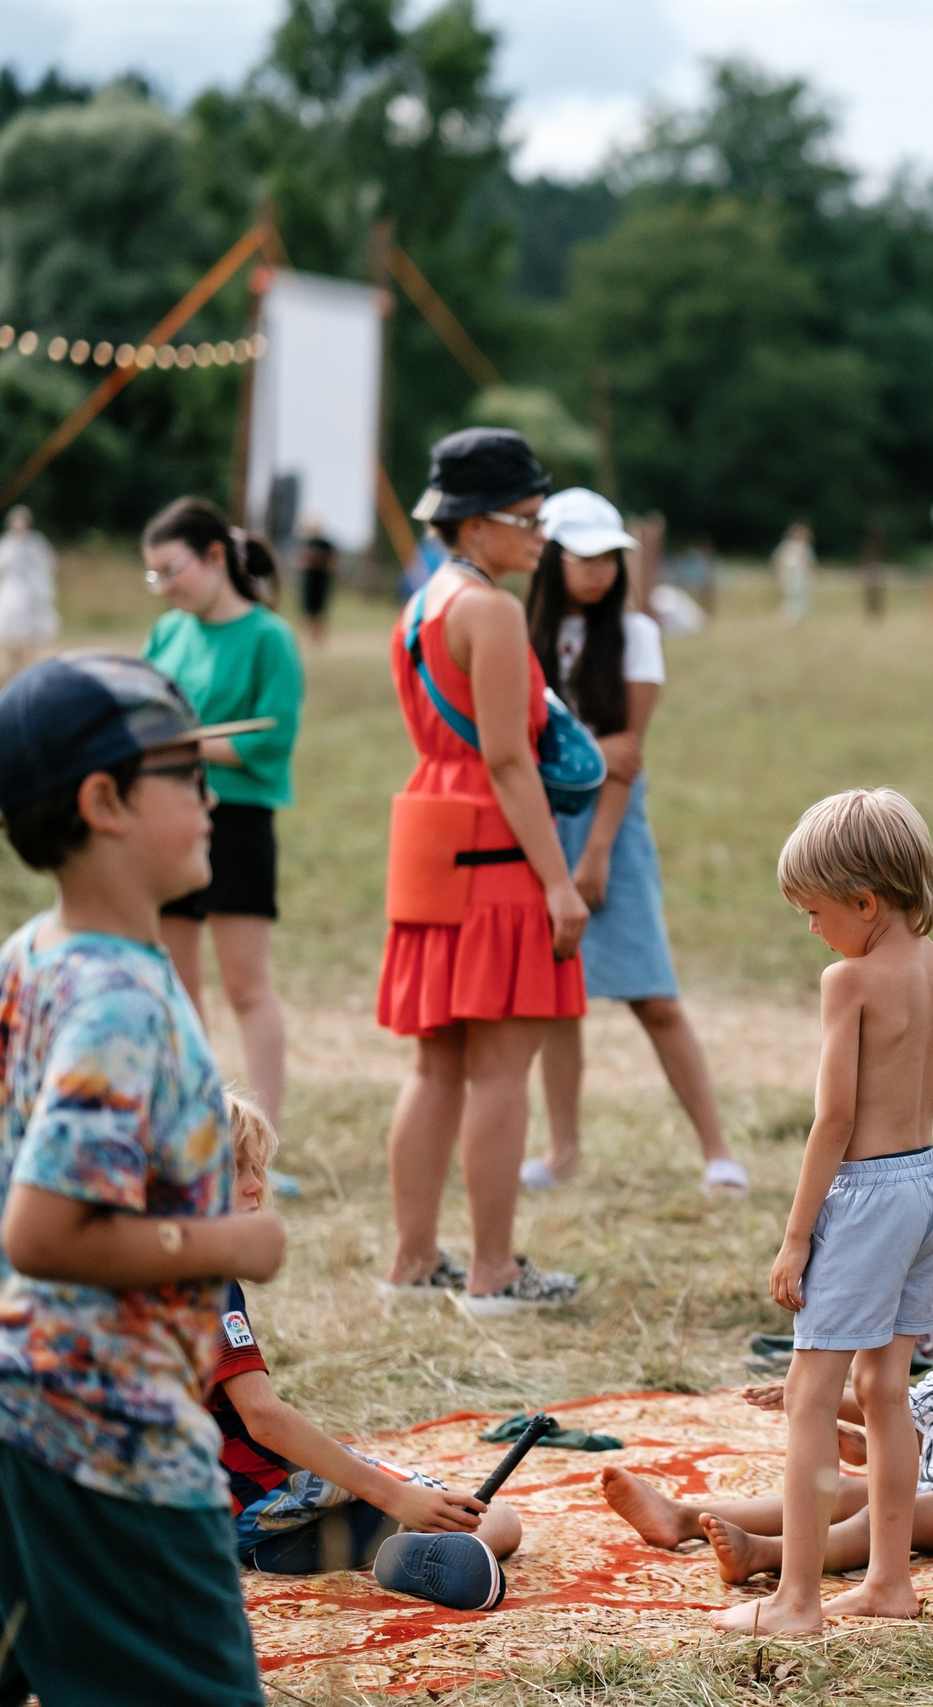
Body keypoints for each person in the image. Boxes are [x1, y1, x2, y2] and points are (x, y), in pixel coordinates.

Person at [0, 655, 286, 1704]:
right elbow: (44, 1234)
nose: (210, 797)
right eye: (185, 777)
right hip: (95, 1440)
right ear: (103, 802)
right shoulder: (124, 1000)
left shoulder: (33, 952)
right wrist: (230, 1244)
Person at [706, 788, 933, 1633]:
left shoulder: (849, 978)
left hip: (866, 1193)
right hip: (930, 1185)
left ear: (865, 902)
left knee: (810, 1391)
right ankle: (890, 1581)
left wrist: (796, 1237)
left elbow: (837, 1119)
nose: (811, 930)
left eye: (815, 912)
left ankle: (797, 1600)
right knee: (886, 1386)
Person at [602, 1161, 933, 1578]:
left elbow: (898, 1404)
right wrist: (866, 1437)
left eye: (931, 1264)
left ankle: (770, 1555)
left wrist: (813, 1394)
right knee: (848, 1491)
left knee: (891, 1514)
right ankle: (684, 1517)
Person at [376, 428, 588, 1316]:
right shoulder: (493, 611)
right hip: (497, 845)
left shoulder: (422, 604)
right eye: (528, 518)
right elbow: (508, 760)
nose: (543, 534)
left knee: (435, 1067)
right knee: (501, 1068)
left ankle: (412, 1259)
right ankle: (493, 1273)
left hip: (431, 830)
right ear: (475, 522)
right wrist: (558, 882)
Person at [520, 487, 747, 1196]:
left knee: (653, 993)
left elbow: (628, 757)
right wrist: (592, 744)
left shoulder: (638, 634)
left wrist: (594, 854)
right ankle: (562, 1151)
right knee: (559, 996)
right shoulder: (518, 634)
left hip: (610, 827)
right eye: (583, 557)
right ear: (551, 557)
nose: (598, 572)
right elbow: (534, 746)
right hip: (534, 819)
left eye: (608, 558)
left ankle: (717, 1148)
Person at [208, 1092, 524, 1575]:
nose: (254, 1186)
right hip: (251, 1493)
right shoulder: (205, 1282)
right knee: (493, 1519)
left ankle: (307, 1546)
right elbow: (264, 1419)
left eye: (256, 1168)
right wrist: (394, 1495)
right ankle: (402, 1549)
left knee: (376, 1505)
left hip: (175, 1513)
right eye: (234, 1169)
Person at [143, 497, 304, 1140]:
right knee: (178, 989)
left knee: (246, 987)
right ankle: (196, 1132)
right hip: (171, 816)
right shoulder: (168, 633)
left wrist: (180, 742)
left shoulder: (270, 637)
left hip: (238, 821)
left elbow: (269, 744)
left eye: (170, 569)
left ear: (215, 557)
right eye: (151, 574)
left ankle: (262, 1142)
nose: (163, 586)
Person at [0, 505, 60, 673]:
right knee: (11, 628)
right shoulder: (5, 543)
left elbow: (49, 561)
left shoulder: (36, 541)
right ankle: (15, 662)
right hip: (11, 592)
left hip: (33, 590)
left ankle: (29, 663)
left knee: (32, 629)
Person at [295, 525, 337, 649]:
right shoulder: (307, 543)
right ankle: (310, 636)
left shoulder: (325, 544)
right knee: (309, 610)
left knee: (320, 610)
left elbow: (333, 561)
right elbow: (300, 560)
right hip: (309, 579)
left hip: (322, 580)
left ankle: (319, 637)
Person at [774, 522, 816, 625]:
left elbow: (809, 562)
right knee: (793, 595)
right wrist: (779, 572)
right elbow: (779, 560)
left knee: (802, 595)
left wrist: (813, 573)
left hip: (801, 574)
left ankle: (799, 616)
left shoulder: (805, 547)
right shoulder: (786, 546)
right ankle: (792, 617)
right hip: (790, 574)